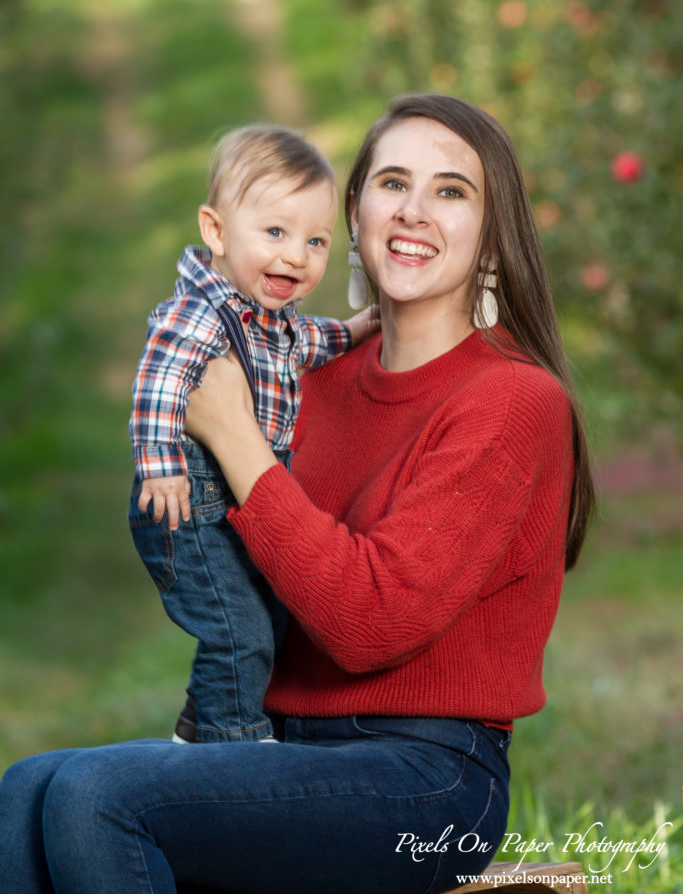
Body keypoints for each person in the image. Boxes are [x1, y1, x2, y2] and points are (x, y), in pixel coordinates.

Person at [0, 93, 594, 894]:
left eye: (451, 192)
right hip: (279, 746)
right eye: (392, 183)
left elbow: (369, 623)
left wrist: (237, 439)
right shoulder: (305, 376)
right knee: (25, 790)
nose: (414, 211)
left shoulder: (512, 402)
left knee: (95, 798)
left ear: (491, 230)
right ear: (354, 213)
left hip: (427, 777)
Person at [128, 124, 377, 743]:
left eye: (316, 242)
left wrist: (360, 328)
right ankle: (237, 744)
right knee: (237, 629)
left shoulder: (275, 320)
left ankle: (199, 725)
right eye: (275, 233)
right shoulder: (199, 312)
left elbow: (313, 341)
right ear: (215, 230)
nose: (296, 256)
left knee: (260, 615)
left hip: (227, 505)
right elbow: (157, 383)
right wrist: (160, 463)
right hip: (186, 503)